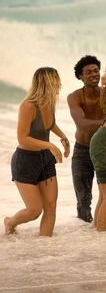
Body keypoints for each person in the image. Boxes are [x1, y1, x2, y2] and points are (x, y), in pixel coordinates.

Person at [4, 67, 70, 237]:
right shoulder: (28, 106)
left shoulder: (50, 102)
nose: (59, 83)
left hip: (45, 160)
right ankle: (10, 222)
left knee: (51, 206)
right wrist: (50, 145)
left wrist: (62, 137)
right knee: (34, 210)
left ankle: (44, 248)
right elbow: (23, 138)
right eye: (56, 79)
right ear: (47, 82)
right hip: (25, 161)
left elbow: (50, 124)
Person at [67, 55, 106, 223]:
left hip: (104, 150)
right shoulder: (75, 97)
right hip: (82, 151)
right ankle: (87, 238)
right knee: (83, 202)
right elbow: (82, 124)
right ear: (80, 76)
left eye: (96, 71)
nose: (94, 74)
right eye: (88, 72)